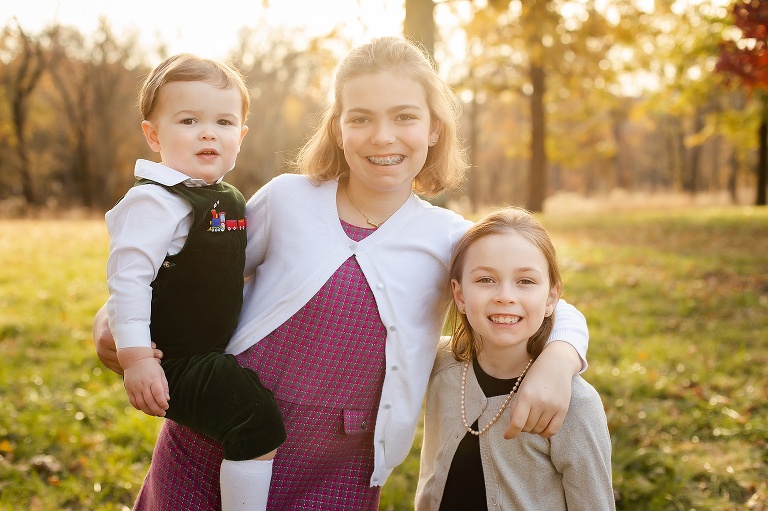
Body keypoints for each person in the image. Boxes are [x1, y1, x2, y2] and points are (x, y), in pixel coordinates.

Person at [94, 37, 589, 510]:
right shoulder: (288, 199)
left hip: (336, 467)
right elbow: (189, 273)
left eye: (405, 117)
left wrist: (558, 361)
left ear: (434, 128)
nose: (383, 136)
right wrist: (111, 319)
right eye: (361, 118)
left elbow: (544, 303)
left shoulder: (448, 239)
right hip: (216, 438)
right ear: (337, 127)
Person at [104, 53, 285, 511]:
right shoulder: (154, 202)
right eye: (189, 120)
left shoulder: (227, 198)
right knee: (256, 420)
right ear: (153, 134)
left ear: (240, 135)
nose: (209, 132)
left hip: (208, 350)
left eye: (224, 122)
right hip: (173, 359)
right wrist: (137, 358)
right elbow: (128, 282)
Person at [416, 208, 614, 510]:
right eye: (485, 279)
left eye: (525, 281)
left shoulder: (575, 403)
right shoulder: (439, 364)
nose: (505, 296)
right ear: (460, 296)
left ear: (552, 297)